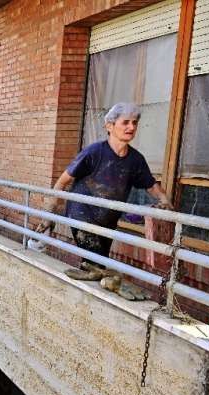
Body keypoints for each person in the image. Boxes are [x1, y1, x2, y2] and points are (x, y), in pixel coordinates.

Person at [36, 103, 172, 292]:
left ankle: (95, 286)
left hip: (108, 220)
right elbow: (61, 182)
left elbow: (151, 186)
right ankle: (105, 285)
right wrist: (48, 215)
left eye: (134, 123)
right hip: (82, 213)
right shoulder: (94, 153)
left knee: (97, 262)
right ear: (109, 126)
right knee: (94, 259)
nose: (131, 127)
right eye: (125, 122)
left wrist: (165, 203)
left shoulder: (136, 160)